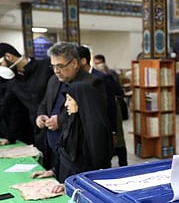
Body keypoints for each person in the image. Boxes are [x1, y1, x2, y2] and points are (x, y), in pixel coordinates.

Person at [35, 42, 106, 173]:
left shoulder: (91, 84)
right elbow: (45, 103)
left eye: (60, 66)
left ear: (74, 63)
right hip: (57, 152)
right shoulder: (53, 80)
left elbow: (92, 121)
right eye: (54, 66)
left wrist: (60, 121)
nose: (56, 71)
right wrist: (41, 115)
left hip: (78, 156)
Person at [36, 82, 113, 194]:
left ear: (81, 100)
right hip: (66, 182)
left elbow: (94, 166)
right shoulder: (73, 120)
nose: (66, 104)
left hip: (83, 189)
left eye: (69, 99)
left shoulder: (95, 127)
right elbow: (66, 152)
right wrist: (54, 171)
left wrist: (73, 184)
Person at [0, 43, 52, 164]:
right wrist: (10, 137)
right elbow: (5, 105)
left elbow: (37, 100)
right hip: (35, 131)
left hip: (53, 124)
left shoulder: (45, 66)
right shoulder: (14, 79)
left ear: (8, 57)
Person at [79, 46, 127, 166]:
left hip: (109, 116)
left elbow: (111, 102)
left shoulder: (102, 77)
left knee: (117, 144)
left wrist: (113, 130)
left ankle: (123, 166)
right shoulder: (78, 79)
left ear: (83, 61)